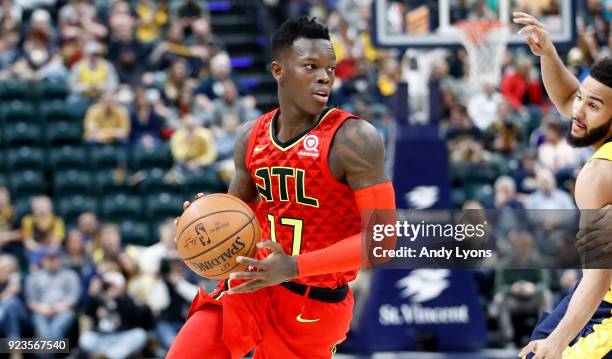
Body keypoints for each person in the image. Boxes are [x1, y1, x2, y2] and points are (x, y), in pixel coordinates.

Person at [167, 17, 396, 358]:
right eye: (311, 66)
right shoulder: (250, 136)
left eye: (329, 68)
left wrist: (293, 266)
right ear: (278, 70)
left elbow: (383, 241)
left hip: (314, 306)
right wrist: (204, 222)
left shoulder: (355, 139)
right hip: (252, 286)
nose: (325, 76)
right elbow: (235, 217)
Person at [514, 11, 612, 359]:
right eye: (582, 97)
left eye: (593, 105)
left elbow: (600, 275)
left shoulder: (600, 174)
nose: (578, 110)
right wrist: (549, 55)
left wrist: (557, 343)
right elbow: (569, 97)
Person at [25, 246, 80, 340]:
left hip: (63, 310)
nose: (52, 261)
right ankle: (54, 352)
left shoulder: (70, 275)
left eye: (55, 258)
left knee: (56, 330)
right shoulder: (34, 277)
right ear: (42, 260)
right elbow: (30, 301)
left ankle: (55, 352)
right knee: (43, 333)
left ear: (60, 259)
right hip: (41, 311)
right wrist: (42, 308)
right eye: (49, 258)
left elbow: (74, 296)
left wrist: (60, 307)